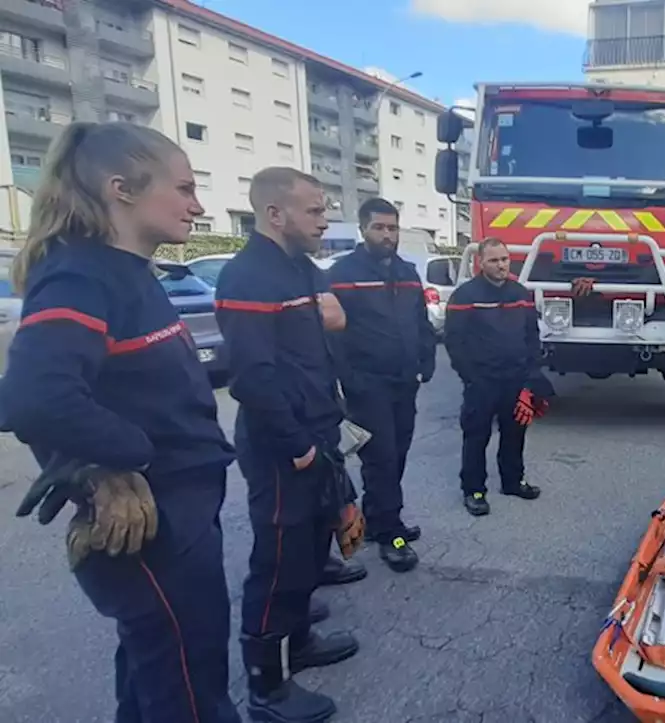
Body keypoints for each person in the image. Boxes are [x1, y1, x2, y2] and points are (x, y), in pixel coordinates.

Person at [0, 122, 240, 721]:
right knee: (190, 695)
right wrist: (119, 457)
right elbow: (34, 396)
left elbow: (137, 384)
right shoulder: (81, 273)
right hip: (154, 526)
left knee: (152, 678)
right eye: (184, 189)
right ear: (122, 190)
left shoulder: (129, 271)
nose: (198, 205)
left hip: (182, 514)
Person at [215, 167, 364, 723]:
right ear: (275, 214)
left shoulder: (296, 268)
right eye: (315, 211)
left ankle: (297, 639)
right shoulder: (250, 275)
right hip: (285, 444)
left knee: (306, 553)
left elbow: (313, 349)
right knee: (277, 563)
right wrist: (298, 443)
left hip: (316, 431)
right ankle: (267, 688)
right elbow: (252, 376)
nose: (324, 221)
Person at [326, 197, 436, 572]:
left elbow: (421, 321)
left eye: (392, 228)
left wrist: (427, 360)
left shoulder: (407, 272)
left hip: (404, 382)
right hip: (367, 385)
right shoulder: (341, 274)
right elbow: (331, 337)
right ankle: (393, 535)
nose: (387, 234)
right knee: (382, 458)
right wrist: (348, 381)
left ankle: (377, 518)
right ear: (363, 229)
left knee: (398, 454)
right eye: (379, 227)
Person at [444, 237, 551, 517]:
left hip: (515, 378)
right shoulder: (465, 296)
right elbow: (455, 341)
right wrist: (470, 377)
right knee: (477, 436)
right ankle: (474, 491)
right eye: (494, 260)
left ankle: (513, 481)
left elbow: (531, 336)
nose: (501, 265)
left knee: (515, 433)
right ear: (481, 263)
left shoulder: (520, 293)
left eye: (504, 259)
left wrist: (531, 377)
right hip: (482, 381)